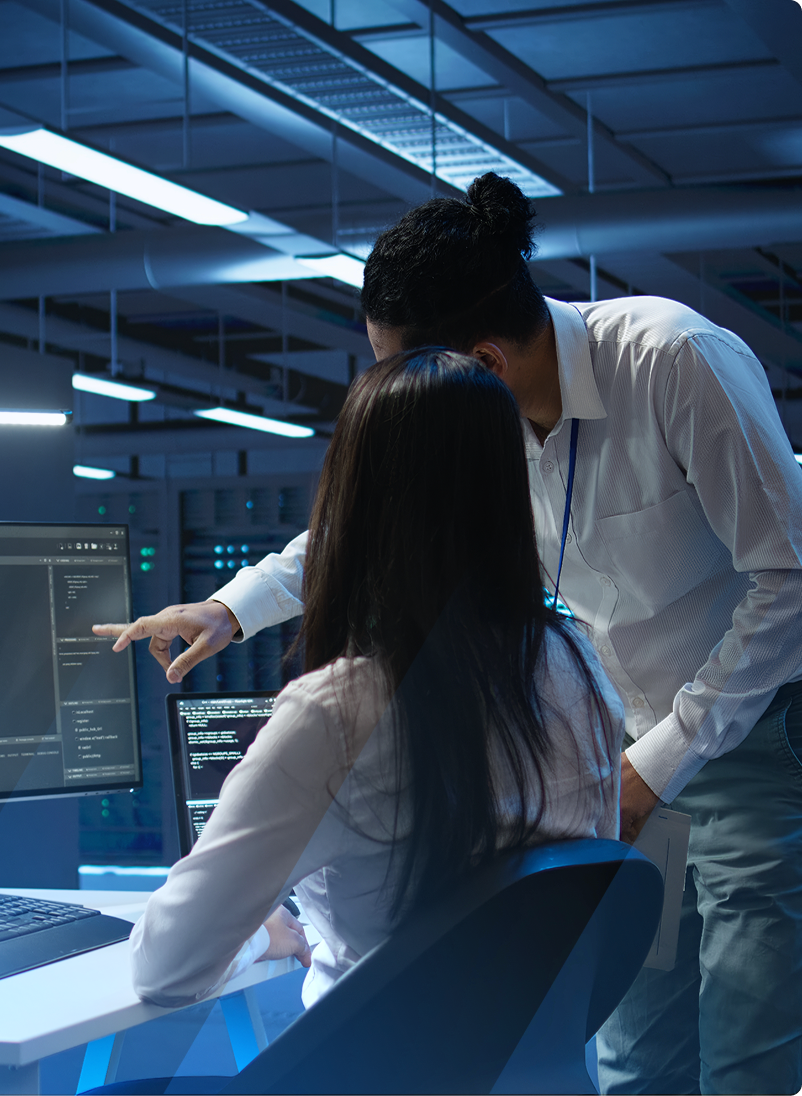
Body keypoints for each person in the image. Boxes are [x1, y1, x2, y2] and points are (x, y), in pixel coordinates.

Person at [99, 173, 802, 1095]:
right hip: (618, 733)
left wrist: (656, 762)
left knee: (751, 1050)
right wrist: (230, 608)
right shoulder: (487, 422)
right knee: (642, 1053)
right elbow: (376, 511)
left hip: (746, 725)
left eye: (402, 375)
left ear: (479, 362)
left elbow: (791, 577)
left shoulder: (674, 360)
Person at [129, 347, 624, 1011]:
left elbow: (166, 966)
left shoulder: (338, 716)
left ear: (353, 508)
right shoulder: (579, 668)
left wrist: (266, 935)